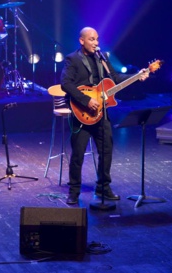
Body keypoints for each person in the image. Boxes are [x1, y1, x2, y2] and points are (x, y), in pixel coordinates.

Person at [60, 27, 149, 205]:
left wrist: (137, 76)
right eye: (92, 39)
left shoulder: (103, 58)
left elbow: (114, 79)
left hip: (102, 114)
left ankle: (103, 188)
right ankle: (74, 191)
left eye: (97, 39)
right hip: (81, 115)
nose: (96, 43)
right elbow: (65, 84)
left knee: (106, 151)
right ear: (82, 40)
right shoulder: (73, 59)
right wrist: (86, 100)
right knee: (77, 155)